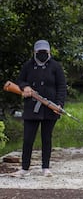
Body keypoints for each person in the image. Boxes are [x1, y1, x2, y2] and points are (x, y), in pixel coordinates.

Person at [10, 40, 67, 178]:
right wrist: (25, 87)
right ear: (34, 52)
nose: (42, 54)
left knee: (46, 138)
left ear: (49, 52)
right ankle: (24, 168)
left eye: (45, 52)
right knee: (28, 139)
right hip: (31, 108)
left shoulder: (56, 66)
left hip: (50, 108)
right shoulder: (28, 66)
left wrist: (58, 104)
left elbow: (62, 87)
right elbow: (20, 81)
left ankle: (45, 167)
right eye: (39, 52)